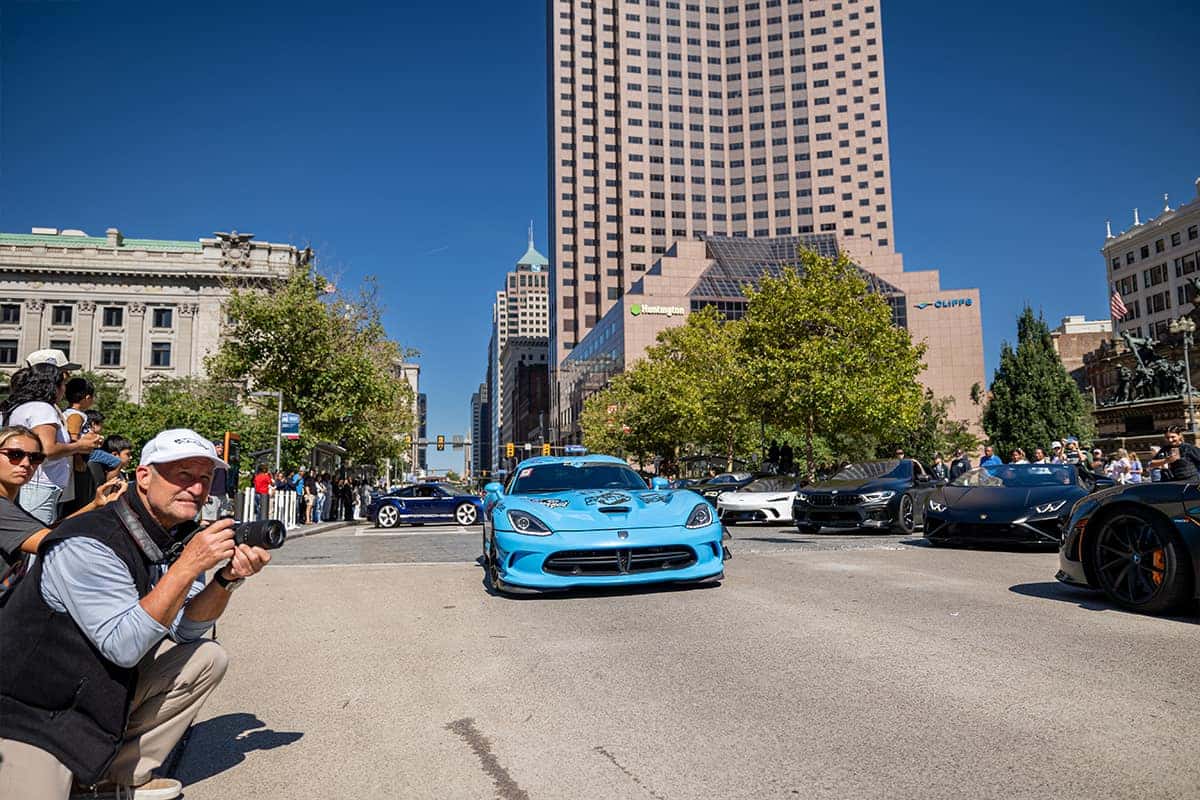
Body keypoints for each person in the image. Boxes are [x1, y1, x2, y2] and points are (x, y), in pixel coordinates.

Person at [0, 428, 272, 800]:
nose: (196, 488)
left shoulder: (174, 537)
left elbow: (187, 630)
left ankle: (119, 774)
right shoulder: (88, 541)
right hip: (28, 713)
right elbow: (123, 646)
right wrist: (189, 565)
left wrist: (225, 579)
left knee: (208, 657)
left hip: (96, 694)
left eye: (205, 479)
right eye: (183, 475)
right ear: (144, 478)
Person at [0, 425, 128, 592]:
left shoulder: (9, 504)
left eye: (35, 457)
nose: (26, 463)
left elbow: (46, 532)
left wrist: (94, 505)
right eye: (15, 455)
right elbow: (57, 543)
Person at [0, 363, 102, 524]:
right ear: (52, 386)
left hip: (33, 483)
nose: (64, 389)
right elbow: (48, 449)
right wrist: (81, 446)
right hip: (39, 485)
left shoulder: (26, 406)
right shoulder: (42, 409)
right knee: (38, 538)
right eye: (62, 384)